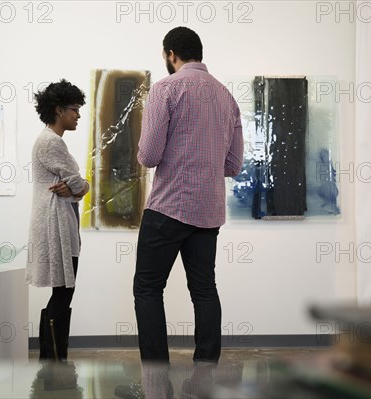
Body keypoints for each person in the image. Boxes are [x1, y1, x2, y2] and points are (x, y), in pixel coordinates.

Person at [132, 26, 244, 397]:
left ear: (170, 54)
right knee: (204, 290)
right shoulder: (226, 97)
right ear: (199, 52)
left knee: (148, 289)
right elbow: (233, 165)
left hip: (167, 207)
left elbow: (148, 156)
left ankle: (155, 382)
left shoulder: (165, 89)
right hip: (207, 211)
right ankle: (203, 379)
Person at [26, 79, 90, 363]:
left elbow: (74, 186)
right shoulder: (51, 142)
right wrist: (80, 186)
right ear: (58, 109)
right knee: (64, 292)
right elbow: (79, 184)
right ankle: (53, 362)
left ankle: (53, 360)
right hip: (55, 226)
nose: (78, 115)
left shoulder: (52, 141)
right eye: (74, 109)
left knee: (63, 292)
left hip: (58, 222)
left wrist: (76, 187)